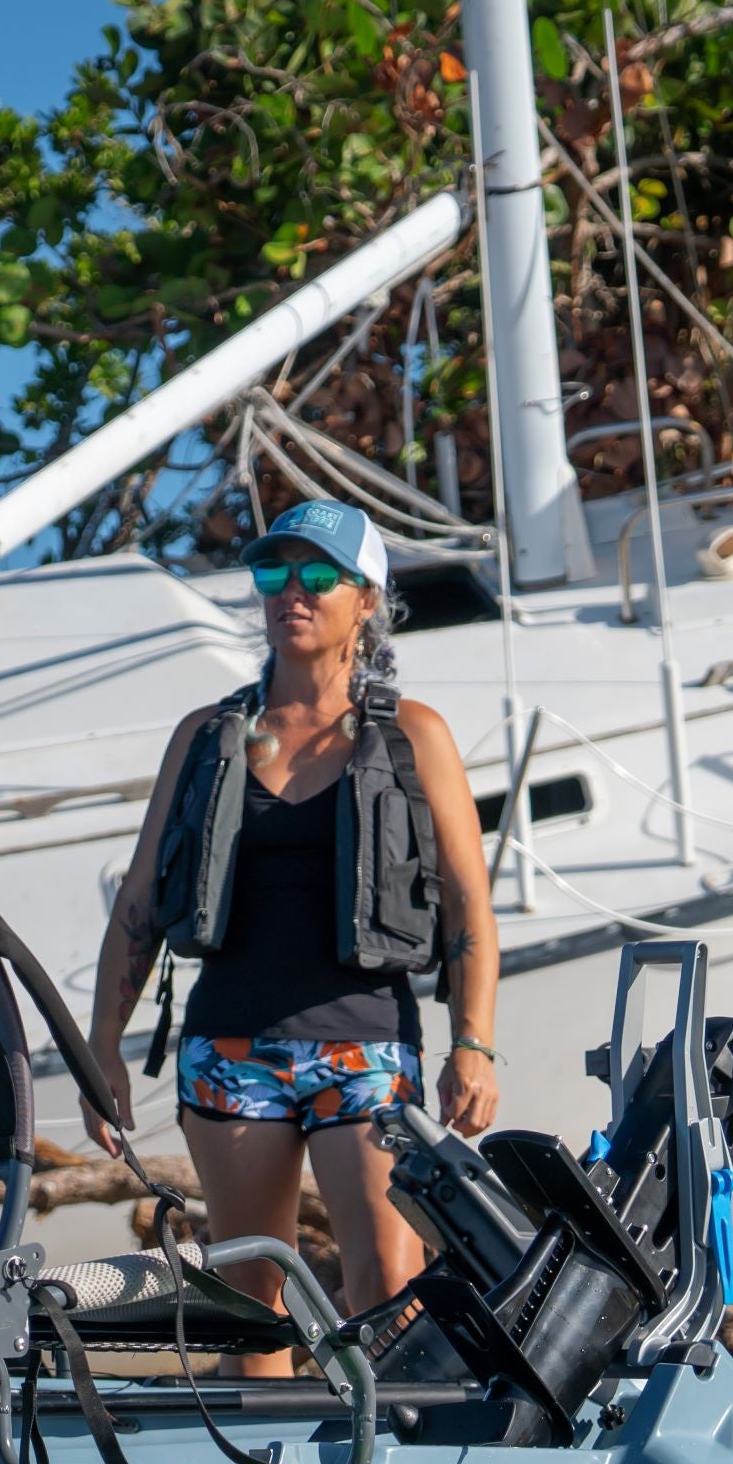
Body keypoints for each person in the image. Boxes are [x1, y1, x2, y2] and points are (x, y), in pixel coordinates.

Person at [83, 500, 500, 1370]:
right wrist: (102, 1050)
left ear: (366, 599)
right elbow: (137, 908)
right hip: (229, 1051)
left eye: (318, 577)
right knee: (249, 1302)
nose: (292, 593)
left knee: (389, 1281)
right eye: (275, 573)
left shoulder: (414, 735)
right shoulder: (206, 738)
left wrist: (474, 1044)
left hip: (367, 1051)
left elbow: (469, 908)